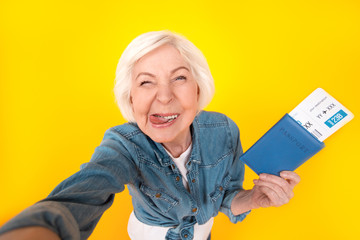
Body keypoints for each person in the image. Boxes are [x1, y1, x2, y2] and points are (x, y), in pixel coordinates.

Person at [0, 30, 300, 240]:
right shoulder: (123, 145)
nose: (165, 96)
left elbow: (225, 199)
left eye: (179, 78)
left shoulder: (224, 130)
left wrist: (254, 199)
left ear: (198, 89)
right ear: (130, 98)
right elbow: (82, 195)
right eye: (146, 82)